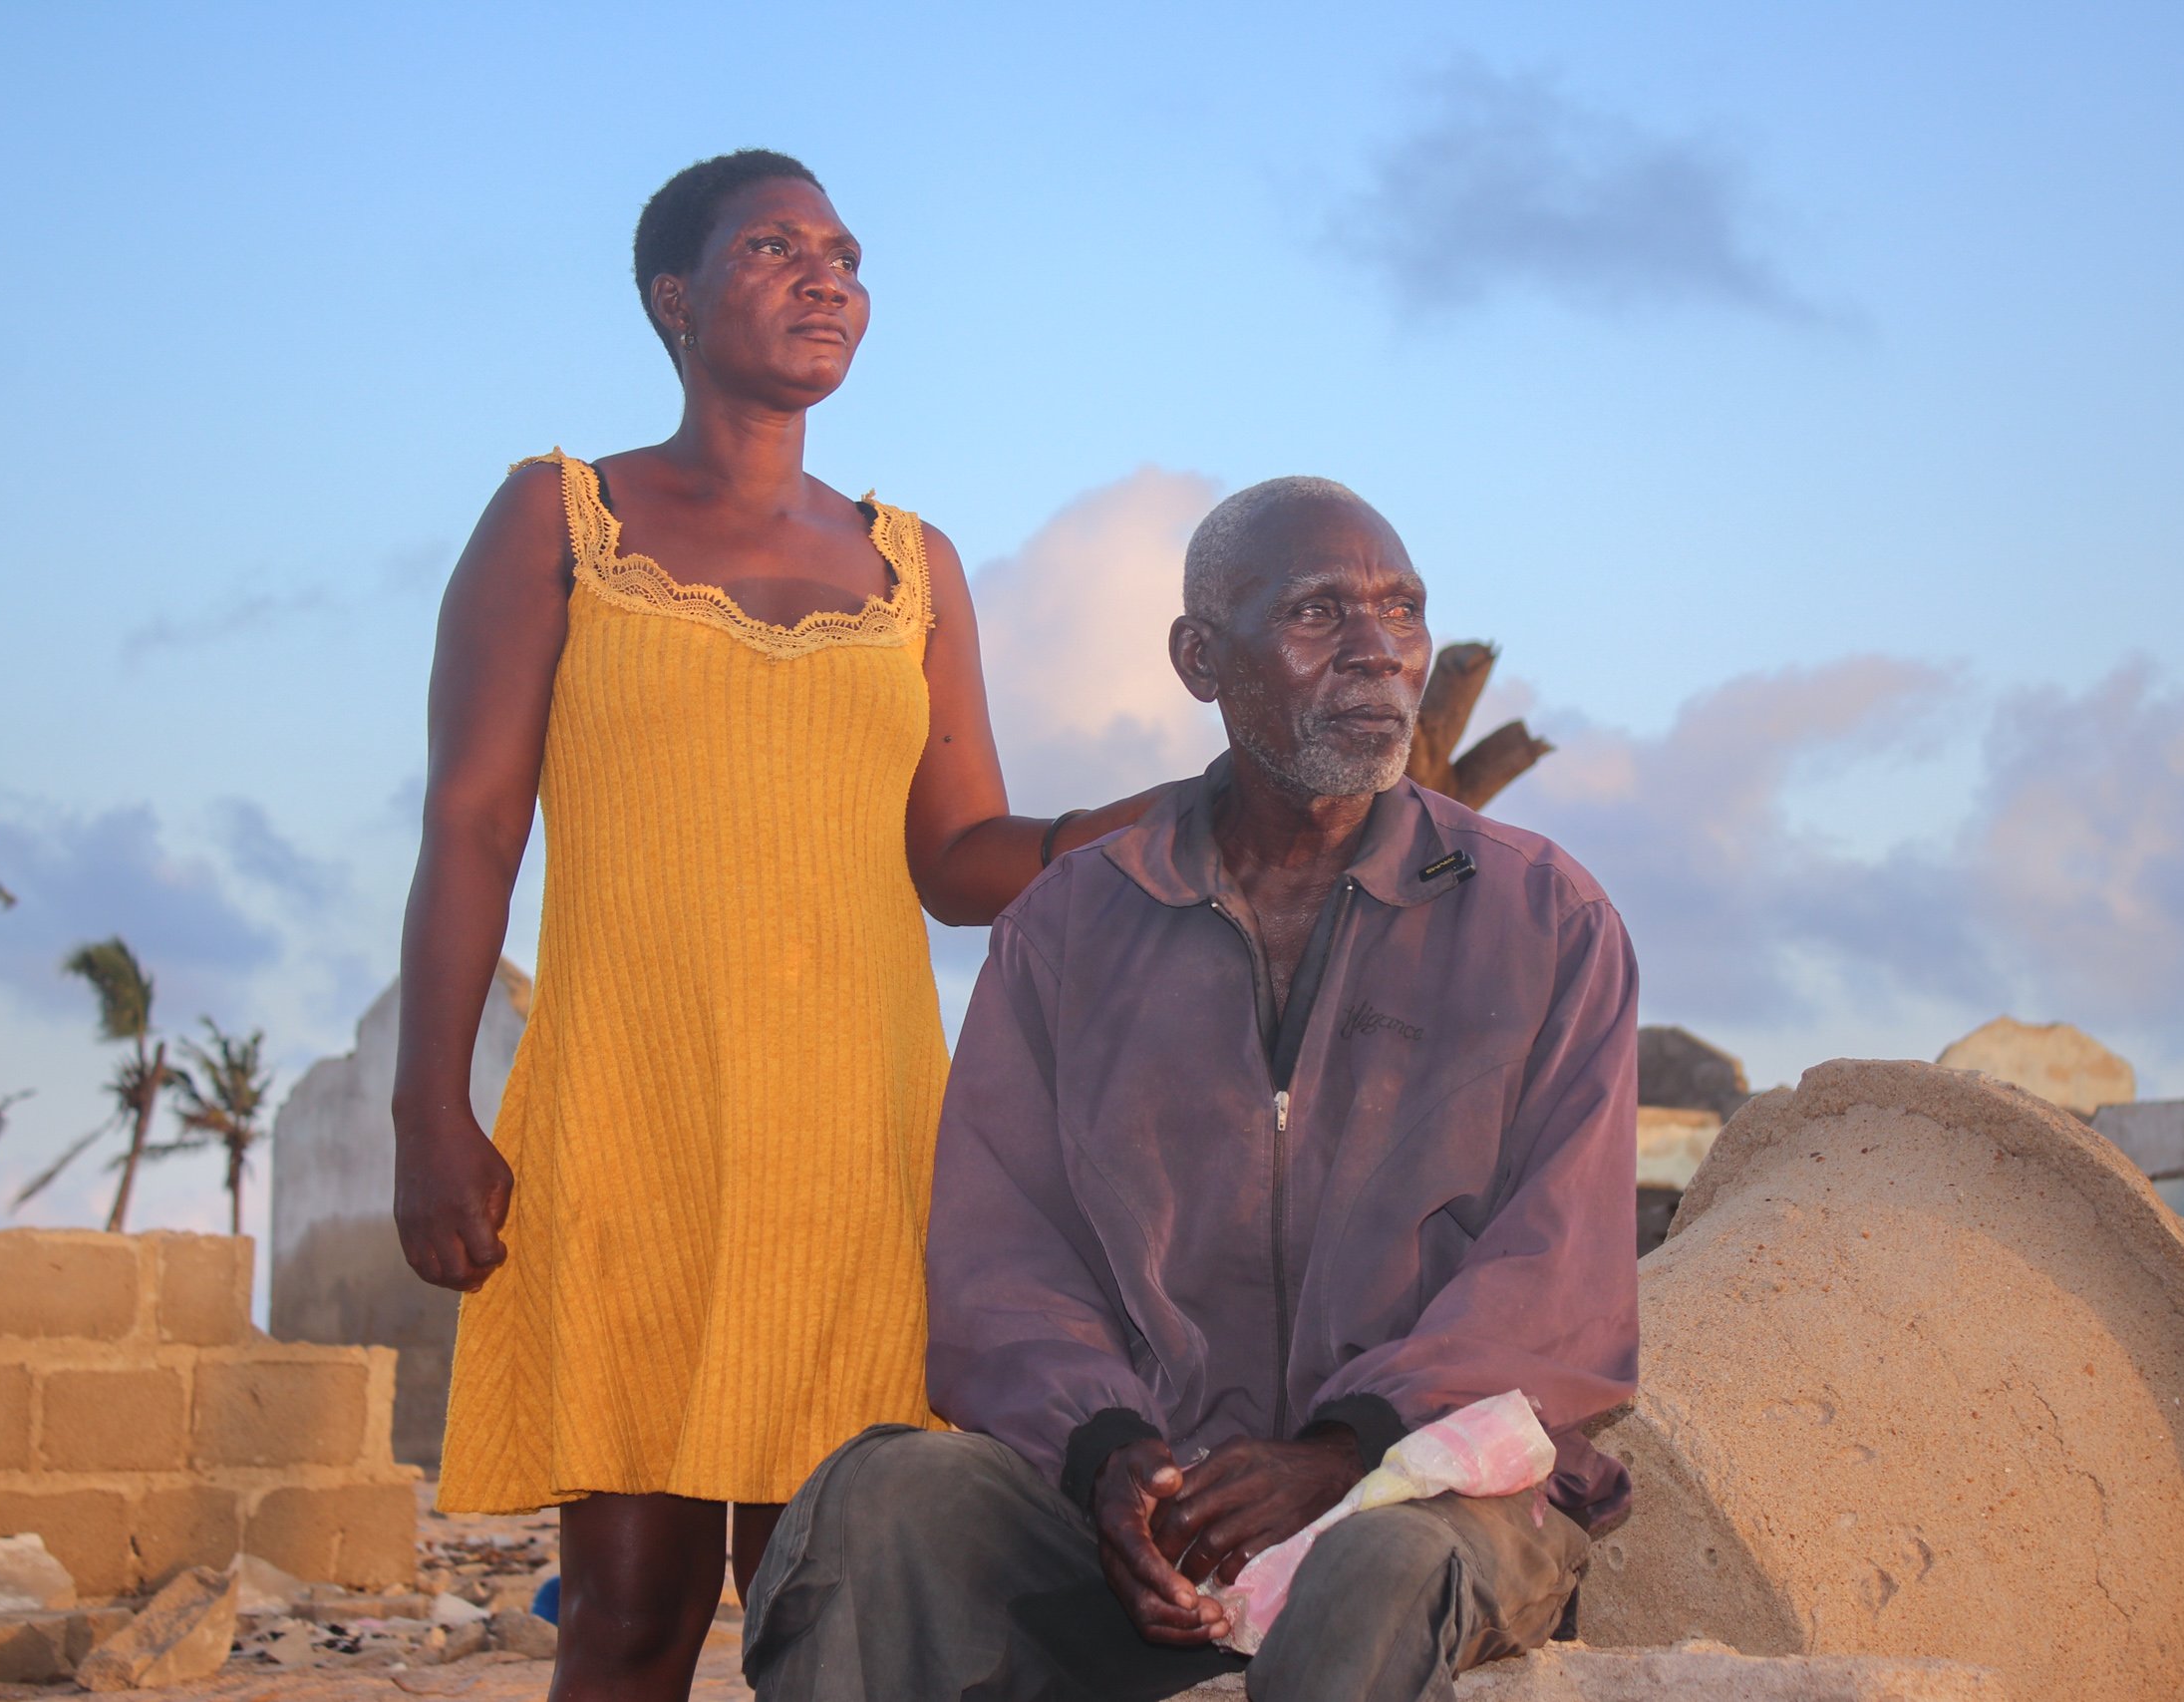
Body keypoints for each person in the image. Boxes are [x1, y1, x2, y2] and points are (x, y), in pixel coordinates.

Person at [390, 150, 1153, 1702]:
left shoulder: (914, 565)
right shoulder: (560, 518)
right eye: (776, 248)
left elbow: (957, 858)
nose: (829, 277)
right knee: (630, 1607)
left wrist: (1140, 822)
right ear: (674, 299)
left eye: (848, 252)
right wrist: (431, 1103)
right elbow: (473, 821)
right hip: (636, 1116)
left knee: (846, 1603)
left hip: (865, 1142)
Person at [741, 479, 1641, 1701]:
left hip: (1425, 1490)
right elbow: (1004, 1255)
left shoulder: (1545, 919)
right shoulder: (1070, 926)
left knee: (1373, 1568)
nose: (1379, 649)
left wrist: (1345, 1445)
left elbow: (1559, 1277)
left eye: (1404, 610)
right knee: (890, 1493)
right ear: (1201, 658)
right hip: (1160, 1509)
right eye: (1320, 613)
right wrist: (1109, 1456)